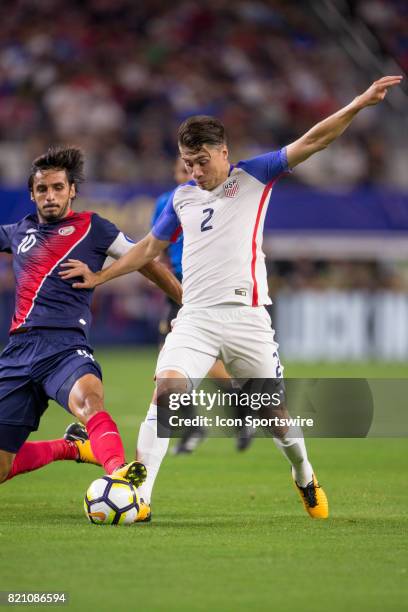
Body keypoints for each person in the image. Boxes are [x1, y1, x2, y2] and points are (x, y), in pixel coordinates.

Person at [61, 75, 403, 521]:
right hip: (196, 318)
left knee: (275, 417)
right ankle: (140, 496)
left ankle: (304, 475)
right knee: (167, 392)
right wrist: (100, 276)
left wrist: (358, 103)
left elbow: (316, 139)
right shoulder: (181, 198)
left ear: (224, 153)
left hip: (248, 319)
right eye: (188, 164)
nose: (196, 172)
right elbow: (148, 248)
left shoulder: (254, 175)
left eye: (202, 161)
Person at [0, 146, 182, 519]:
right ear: (32, 193)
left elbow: (146, 258)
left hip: (65, 346)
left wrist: (185, 300)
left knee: (89, 402)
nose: (49, 196)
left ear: (71, 191)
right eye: (41, 190)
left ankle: (119, 474)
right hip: (17, 353)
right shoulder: (17, 232)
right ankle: (70, 448)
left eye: (56, 188)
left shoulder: (94, 228)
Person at [152, 159, 253, 453]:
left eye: (193, 171)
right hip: (177, 288)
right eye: (183, 171)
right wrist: (159, 274)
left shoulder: (219, 200)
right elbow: (157, 247)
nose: (189, 176)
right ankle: (194, 425)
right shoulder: (167, 203)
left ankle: (240, 409)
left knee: (208, 364)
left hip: (206, 289)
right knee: (167, 363)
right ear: (175, 173)